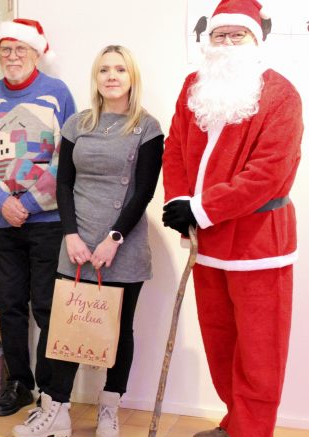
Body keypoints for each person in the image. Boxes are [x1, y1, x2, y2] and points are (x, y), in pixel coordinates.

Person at [161, 1, 302, 436]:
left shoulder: (281, 95)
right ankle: (234, 421)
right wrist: (178, 201)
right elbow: (176, 149)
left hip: (260, 244)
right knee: (220, 343)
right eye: (219, 35)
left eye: (236, 35)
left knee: (260, 351)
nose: (226, 43)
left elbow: (269, 174)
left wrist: (202, 208)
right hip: (207, 244)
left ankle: (251, 431)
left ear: (255, 39)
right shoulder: (193, 87)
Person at [12, 44, 164, 437]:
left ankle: (109, 409)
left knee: (118, 329)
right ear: (95, 79)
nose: (111, 77)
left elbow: (144, 190)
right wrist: (71, 235)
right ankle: (56, 410)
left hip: (123, 242)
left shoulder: (147, 127)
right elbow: (63, 184)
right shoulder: (77, 124)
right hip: (77, 241)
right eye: (104, 70)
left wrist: (114, 238)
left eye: (119, 70)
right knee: (65, 327)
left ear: (132, 77)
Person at [0, 18, 76, 420]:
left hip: (46, 222)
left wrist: (27, 204)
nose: (12, 57)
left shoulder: (57, 93)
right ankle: (19, 383)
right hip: (3, 222)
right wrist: (0, 202)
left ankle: (51, 391)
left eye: (21, 49)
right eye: (5, 50)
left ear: (36, 53)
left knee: (46, 306)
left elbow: (68, 157)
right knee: (11, 305)